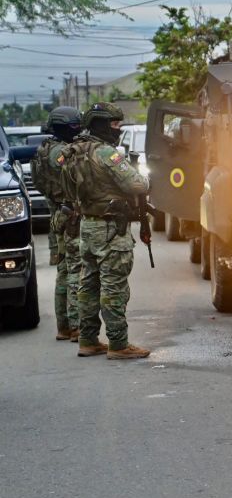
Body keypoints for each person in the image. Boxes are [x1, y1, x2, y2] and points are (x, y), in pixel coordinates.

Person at [63, 103, 152, 359]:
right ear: (101, 124)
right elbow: (137, 183)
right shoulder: (106, 154)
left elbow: (67, 191)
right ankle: (118, 344)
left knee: (88, 286)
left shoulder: (73, 152)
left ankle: (88, 340)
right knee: (113, 287)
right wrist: (146, 179)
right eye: (114, 125)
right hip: (110, 228)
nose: (118, 129)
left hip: (87, 226)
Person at [30, 107, 84, 341]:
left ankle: (63, 326)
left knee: (63, 270)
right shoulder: (61, 153)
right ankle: (75, 326)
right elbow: (78, 178)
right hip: (69, 212)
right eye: (75, 127)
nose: (78, 130)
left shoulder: (44, 149)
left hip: (57, 212)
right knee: (75, 269)